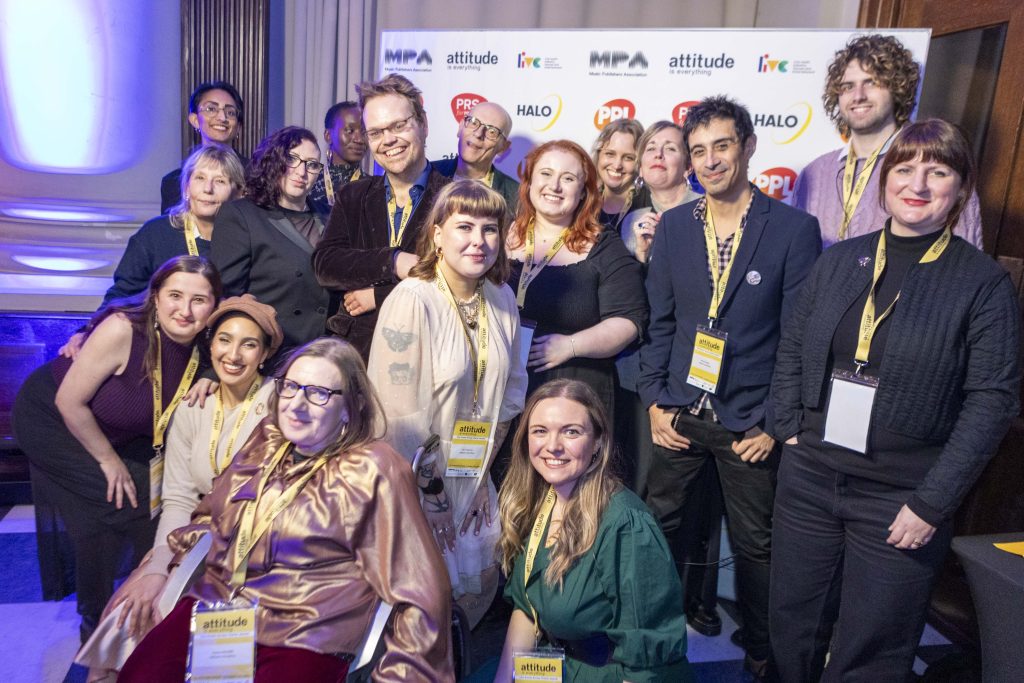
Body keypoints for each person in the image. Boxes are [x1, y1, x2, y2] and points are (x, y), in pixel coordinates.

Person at [769, 119, 1020, 682]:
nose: (919, 184)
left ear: (961, 187)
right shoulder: (840, 259)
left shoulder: (982, 284)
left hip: (902, 496)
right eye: (905, 169)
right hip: (810, 477)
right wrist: (787, 424)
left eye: (938, 171)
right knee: (792, 623)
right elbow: (794, 344)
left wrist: (933, 503)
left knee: (873, 645)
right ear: (885, 180)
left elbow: (993, 402)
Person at [119, 338, 454, 682]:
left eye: (319, 393)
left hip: (308, 627)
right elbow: (211, 517)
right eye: (291, 387)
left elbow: (422, 590)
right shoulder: (267, 441)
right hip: (222, 607)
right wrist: (161, 564)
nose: (297, 405)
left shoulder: (375, 469)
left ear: (349, 407)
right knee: (140, 675)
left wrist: (402, 673)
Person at [638, 96, 821, 679]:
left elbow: (799, 337)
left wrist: (774, 421)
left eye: (722, 146)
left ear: (747, 147)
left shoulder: (794, 229)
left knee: (757, 546)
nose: (710, 160)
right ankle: (647, 632)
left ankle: (765, 651)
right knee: (657, 525)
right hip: (680, 411)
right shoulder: (673, 226)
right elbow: (659, 321)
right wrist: (654, 401)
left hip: (749, 422)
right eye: (698, 150)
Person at [13, 256, 221, 642]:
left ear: (214, 306)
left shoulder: (205, 347)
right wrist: (108, 462)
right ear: (155, 297)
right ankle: (98, 627)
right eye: (175, 295)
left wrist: (209, 377)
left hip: (118, 431)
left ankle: (145, 610)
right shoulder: (124, 330)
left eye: (200, 300)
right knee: (114, 506)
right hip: (53, 417)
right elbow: (69, 402)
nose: (186, 310)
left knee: (155, 508)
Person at [76, 294, 283, 681]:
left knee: (168, 610)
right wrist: (158, 565)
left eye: (249, 344)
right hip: (195, 534)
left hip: (253, 543)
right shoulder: (192, 407)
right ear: (211, 344)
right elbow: (178, 497)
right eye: (224, 339)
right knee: (128, 608)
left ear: (266, 354)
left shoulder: (279, 404)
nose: (233, 354)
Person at [368, 180, 527, 627]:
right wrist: (433, 494)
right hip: (416, 480)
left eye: (490, 229)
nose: (479, 241)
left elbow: (511, 394)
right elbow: (397, 415)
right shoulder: (411, 300)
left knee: (471, 598)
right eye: (464, 227)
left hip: (472, 471)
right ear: (437, 234)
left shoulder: (501, 298)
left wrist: (477, 477)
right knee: (421, 602)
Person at [493, 379, 693, 683]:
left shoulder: (626, 524)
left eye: (571, 431)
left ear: (598, 441)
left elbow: (646, 660)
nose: (553, 446)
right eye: (540, 431)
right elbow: (525, 609)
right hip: (553, 667)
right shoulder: (538, 503)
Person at [791, 34, 983, 249]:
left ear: (897, 88)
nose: (858, 96)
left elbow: (961, 265)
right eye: (847, 87)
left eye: (871, 83)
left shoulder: (937, 170)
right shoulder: (815, 173)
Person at [59, 145, 244, 360]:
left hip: (211, 355)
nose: (208, 189)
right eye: (200, 178)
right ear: (186, 186)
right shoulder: (155, 233)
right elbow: (122, 293)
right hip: (149, 346)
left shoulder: (243, 242)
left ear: (237, 193)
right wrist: (87, 331)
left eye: (220, 181)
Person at [314, 74, 451, 360]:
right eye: (376, 132)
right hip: (355, 359)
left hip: (428, 355)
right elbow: (326, 264)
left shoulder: (455, 198)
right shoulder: (353, 195)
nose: (389, 140)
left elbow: (453, 283)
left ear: (423, 124)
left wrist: (376, 296)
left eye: (399, 126)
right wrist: (394, 261)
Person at [507, 139, 647, 416]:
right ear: (530, 181)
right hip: (504, 388)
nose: (554, 186)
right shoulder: (498, 234)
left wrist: (570, 346)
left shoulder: (604, 245)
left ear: (583, 192)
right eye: (546, 174)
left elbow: (629, 321)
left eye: (568, 178)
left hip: (572, 391)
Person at [211, 126, 336, 358]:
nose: (302, 172)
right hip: (271, 354)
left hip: (323, 354)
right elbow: (226, 298)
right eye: (292, 159)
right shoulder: (242, 215)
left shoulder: (331, 216)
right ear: (274, 160)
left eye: (312, 164)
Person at [621, 120, 701, 265]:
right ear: (640, 168)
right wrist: (642, 255)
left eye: (670, 148)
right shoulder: (631, 221)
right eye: (651, 148)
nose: (658, 154)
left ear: (688, 166)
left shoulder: (708, 211)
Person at [160, 81, 245, 213]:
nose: (222, 117)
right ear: (195, 120)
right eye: (211, 109)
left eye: (230, 112)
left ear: (238, 127)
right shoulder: (173, 182)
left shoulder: (257, 176)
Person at [434, 101, 519, 214]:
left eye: (492, 131)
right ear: (460, 128)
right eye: (473, 122)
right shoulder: (428, 173)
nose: (478, 134)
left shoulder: (516, 196)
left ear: (503, 147)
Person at [308, 101, 367, 214]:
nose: (359, 139)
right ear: (328, 135)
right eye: (350, 131)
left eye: (364, 132)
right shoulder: (309, 182)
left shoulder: (374, 188)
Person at [591, 118, 644, 232]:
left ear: (639, 163)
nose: (617, 165)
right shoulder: (584, 202)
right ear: (599, 155)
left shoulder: (648, 207)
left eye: (628, 158)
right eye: (610, 154)